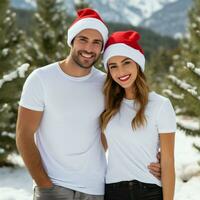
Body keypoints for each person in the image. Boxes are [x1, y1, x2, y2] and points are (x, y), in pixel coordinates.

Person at [16, 8, 161, 200]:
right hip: (54, 187)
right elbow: (23, 134)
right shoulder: (41, 79)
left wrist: (157, 159)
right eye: (83, 39)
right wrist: (44, 184)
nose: (89, 48)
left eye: (96, 43)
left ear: (101, 49)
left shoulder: (107, 84)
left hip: (95, 189)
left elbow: (128, 124)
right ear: (72, 40)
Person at [100, 30, 176, 200]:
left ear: (138, 64)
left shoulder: (161, 105)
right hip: (112, 192)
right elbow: (97, 149)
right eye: (113, 66)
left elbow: (168, 161)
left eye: (126, 62)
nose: (121, 71)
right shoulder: (108, 105)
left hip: (148, 192)